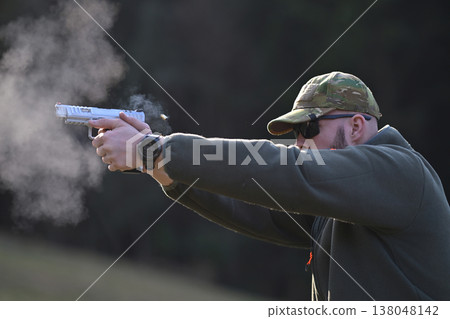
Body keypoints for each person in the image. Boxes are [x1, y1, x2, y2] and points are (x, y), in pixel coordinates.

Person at [89, 71, 450, 300]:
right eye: (295, 134)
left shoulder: (400, 171)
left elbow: (287, 170)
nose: (299, 144)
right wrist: (156, 164)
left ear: (356, 127)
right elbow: (252, 207)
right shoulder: (344, 202)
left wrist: (159, 150)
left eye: (308, 129)